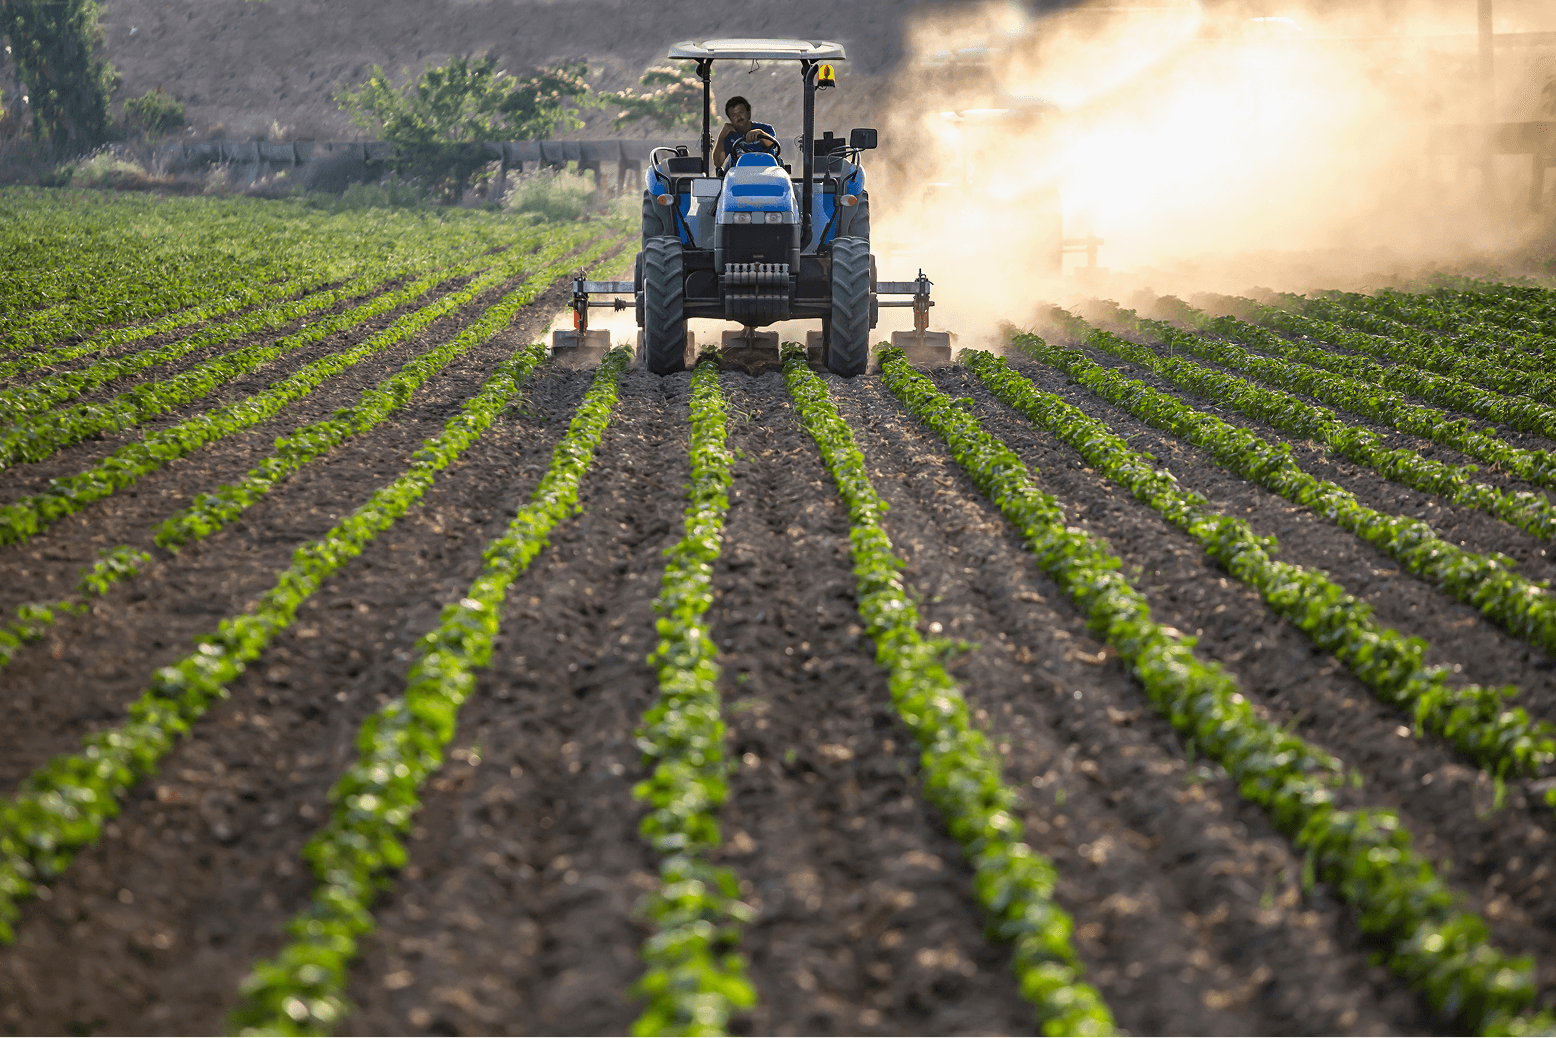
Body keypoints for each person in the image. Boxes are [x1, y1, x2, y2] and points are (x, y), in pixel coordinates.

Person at [713, 95, 780, 170]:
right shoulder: (730, 135)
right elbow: (718, 162)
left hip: (768, 171)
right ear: (730, 119)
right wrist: (722, 136)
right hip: (740, 174)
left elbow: (772, 144)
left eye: (741, 112)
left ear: (748, 113)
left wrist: (760, 133)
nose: (738, 117)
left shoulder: (766, 129)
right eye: (734, 115)